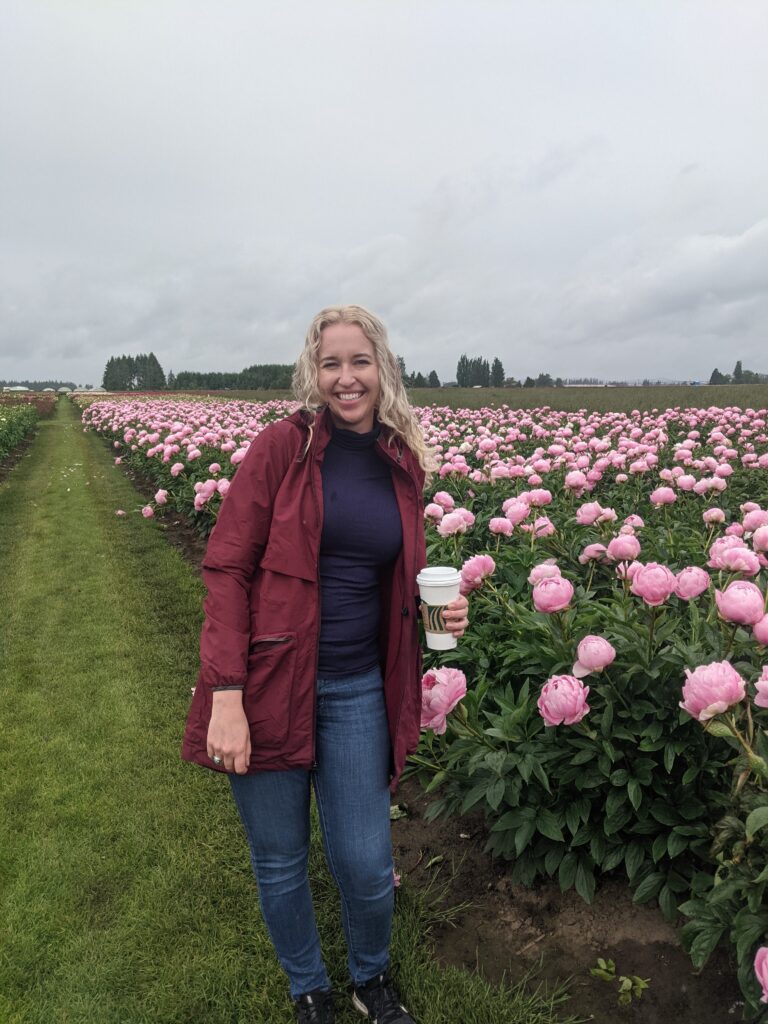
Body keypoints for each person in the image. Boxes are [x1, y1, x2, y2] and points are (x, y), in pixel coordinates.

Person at [182, 305, 469, 1024]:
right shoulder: (283, 448)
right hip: (269, 683)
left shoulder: (399, 461)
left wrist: (439, 612)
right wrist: (225, 694)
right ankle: (309, 986)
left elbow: (388, 570)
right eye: (331, 363)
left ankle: (371, 980)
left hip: (355, 688)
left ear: (383, 370)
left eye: (359, 361)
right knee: (279, 858)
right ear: (314, 373)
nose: (347, 378)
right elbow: (226, 569)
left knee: (368, 864)